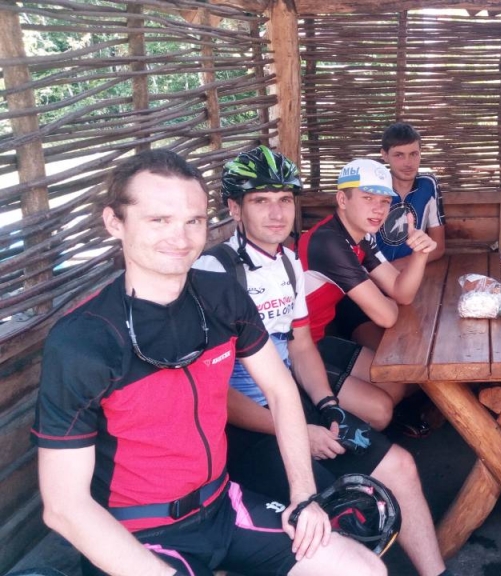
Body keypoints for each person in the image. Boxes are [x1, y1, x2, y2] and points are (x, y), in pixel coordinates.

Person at [31, 150, 384, 576]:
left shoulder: (221, 296)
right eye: (159, 220)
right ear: (114, 222)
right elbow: (64, 506)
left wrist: (303, 495)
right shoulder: (83, 340)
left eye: (193, 221)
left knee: (363, 568)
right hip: (138, 532)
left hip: (223, 506)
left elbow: (280, 389)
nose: (180, 238)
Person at [193, 146, 450, 576]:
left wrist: (327, 406)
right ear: (235, 209)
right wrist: (296, 429)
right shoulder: (213, 273)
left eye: (284, 199)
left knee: (401, 466)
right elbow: (211, 392)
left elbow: (300, 348)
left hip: (291, 403)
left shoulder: (288, 263)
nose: (277, 212)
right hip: (243, 428)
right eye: (260, 200)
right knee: (343, 509)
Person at [298, 158, 437, 429]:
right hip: (290, 353)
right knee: (380, 411)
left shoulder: (361, 236)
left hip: (316, 340)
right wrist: (387, 302)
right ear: (342, 199)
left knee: (395, 384)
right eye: (368, 198)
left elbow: (402, 294)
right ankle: (314, 427)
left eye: (384, 201)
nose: (378, 209)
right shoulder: (328, 242)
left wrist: (420, 255)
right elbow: (387, 316)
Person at [334, 122, 447, 348]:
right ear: (384, 155)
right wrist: (390, 274)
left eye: (414, 154)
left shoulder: (428, 185)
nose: (408, 162)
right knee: (386, 348)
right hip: (365, 284)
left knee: (432, 334)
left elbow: (438, 246)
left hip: (402, 278)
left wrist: (399, 270)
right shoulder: (372, 190)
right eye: (399, 155)